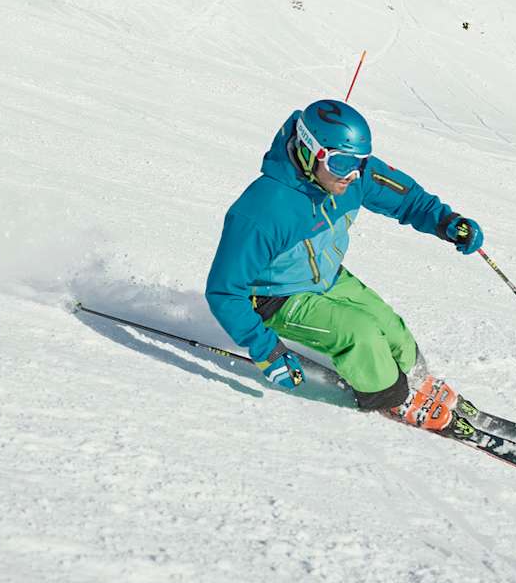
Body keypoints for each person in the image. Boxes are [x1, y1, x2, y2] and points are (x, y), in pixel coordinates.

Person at [205, 99, 484, 425]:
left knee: (391, 328)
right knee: (360, 334)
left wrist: (446, 222)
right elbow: (225, 291)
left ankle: (417, 379)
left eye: (359, 163)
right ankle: (392, 397)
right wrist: (266, 350)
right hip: (276, 296)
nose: (352, 175)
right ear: (311, 152)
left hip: (327, 277)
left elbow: (406, 198)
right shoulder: (266, 208)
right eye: (341, 164)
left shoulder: (353, 176)